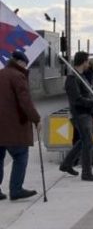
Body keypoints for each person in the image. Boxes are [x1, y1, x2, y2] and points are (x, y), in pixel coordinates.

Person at [0, 51, 41, 201]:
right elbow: (25, 102)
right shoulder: (18, 76)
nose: (26, 66)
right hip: (14, 126)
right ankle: (16, 189)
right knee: (20, 155)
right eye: (25, 63)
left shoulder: (1, 73)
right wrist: (36, 119)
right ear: (20, 62)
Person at [59, 51, 93, 182]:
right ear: (83, 62)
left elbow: (88, 95)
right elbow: (77, 100)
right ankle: (86, 172)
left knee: (84, 140)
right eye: (88, 61)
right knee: (88, 142)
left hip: (87, 113)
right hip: (79, 114)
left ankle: (66, 164)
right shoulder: (72, 79)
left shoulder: (81, 77)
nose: (89, 63)